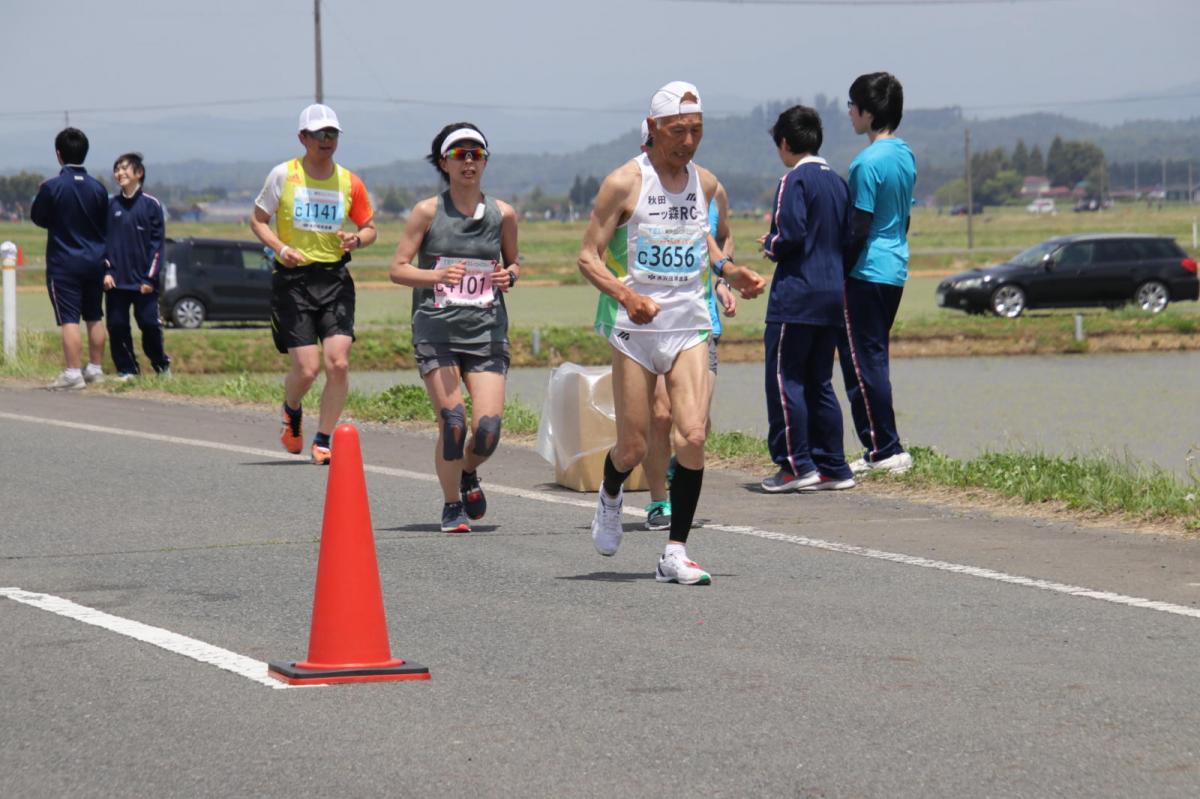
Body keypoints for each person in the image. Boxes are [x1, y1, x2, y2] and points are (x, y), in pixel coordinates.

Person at [578, 81, 765, 585]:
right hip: (638, 330)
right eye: (678, 130)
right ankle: (611, 493)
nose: (688, 140)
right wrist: (626, 297)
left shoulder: (703, 183)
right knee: (633, 448)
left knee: (694, 435)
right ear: (655, 128)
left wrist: (731, 272)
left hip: (689, 326)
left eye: (697, 130)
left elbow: (699, 239)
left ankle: (675, 552)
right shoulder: (624, 182)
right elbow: (587, 256)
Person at [389, 123, 519, 534]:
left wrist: (508, 277)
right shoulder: (428, 211)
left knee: (487, 430)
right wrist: (436, 278)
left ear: (485, 161)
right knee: (453, 422)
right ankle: (451, 506)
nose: (468, 161)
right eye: (459, 154)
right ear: (443, 162)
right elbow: (398, 269)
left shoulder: (504, 214)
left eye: (476, 154)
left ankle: (467, 472)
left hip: (486, 332)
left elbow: (514, 264)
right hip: (437, 330)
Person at [250, 104, 377, 465]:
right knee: (307, 369)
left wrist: (359, 239)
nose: (327, 140)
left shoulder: (349, 180)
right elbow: (258, 220)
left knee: (337, 363)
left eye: (332, 134)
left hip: (335, 279)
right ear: (302, 138)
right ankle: (291, 409)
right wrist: (281, 247)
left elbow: (370, 227)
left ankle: (323, 439)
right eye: (319, 134)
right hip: (293, 281)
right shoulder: (283, 175)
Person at [758, 105, 855, 493]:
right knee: (820, 381)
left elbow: (790, 234)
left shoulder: (792, 181)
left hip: (796, 295)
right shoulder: (839, 182)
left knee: (785, 379)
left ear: (785, 143)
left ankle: (795, 464)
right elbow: (849, 238)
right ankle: (832, 465)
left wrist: (770, 244)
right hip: (833, 293)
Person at [838, 72, 917, 475]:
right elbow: (903, 217)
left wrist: (840, 269)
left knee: (860, 361)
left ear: (868, 113)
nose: (849, 113)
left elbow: (858, 226)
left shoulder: (865, 163)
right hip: (895, 267)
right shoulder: (905, 154)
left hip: (866, 270)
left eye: (853, 106)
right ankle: (884, 446)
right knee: (874, 357)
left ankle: (883, 448)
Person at [30, 128, 108, 390]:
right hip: (95, 260)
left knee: (70, 318)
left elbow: (39, 218)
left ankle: (73, 373)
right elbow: (103, 223)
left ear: (58, 155)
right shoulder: (98, 188)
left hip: (65, 262)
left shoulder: (52, 187)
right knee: (95, 315)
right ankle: (96, 369)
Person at [102, 153, 170, 380]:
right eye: (117, 169)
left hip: (144, 282)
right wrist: (107, 270)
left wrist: (150, 279)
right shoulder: (110, 205)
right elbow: (102, 242)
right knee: (117, 325)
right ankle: (128, 369)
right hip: (116, 281)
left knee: (149, 324)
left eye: (124, 168)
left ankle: (161, 365)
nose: (119, 173)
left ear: (138, 173)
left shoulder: (151, 205)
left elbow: (157, 246)